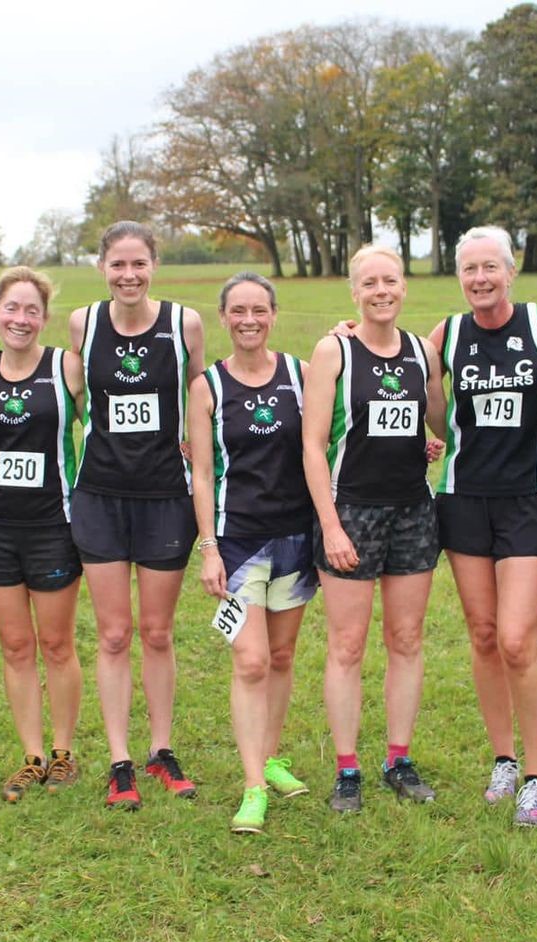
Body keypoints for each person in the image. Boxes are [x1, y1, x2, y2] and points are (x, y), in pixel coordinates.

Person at [429, 227, 537, 827]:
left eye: (490, 267)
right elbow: (402, 374)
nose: (480, 279)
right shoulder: (447, 334)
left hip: (531, 497)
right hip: (464, 498)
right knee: (485, 635)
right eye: (470, 269)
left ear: (510, 271)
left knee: (519, 638)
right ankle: (504, 759)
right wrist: (344, 335)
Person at [302, 244, 446, 814]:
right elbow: (313, 447)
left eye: (390, 280)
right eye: (370, 283)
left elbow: (437, 419)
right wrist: (331, 526)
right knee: (348, 644)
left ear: (404, 286)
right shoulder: (333, 351)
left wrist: (430, 444)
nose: (381, 291)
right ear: (355, 292)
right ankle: (347, 769)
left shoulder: (422, 352)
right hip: (351, 512)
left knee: (407, 640)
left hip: (412, 510)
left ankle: (398, 760)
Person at [68, 221, 205, 810]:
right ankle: (119, 760)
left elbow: (204, 397)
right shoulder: (83, 323)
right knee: (114, 633)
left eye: (139, 264)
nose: (129, 275)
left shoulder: (184, 324)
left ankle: (161, 750)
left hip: (165, 496)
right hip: (99, 495)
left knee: (157, 631)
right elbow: (54, 381)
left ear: (154, 266)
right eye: (118, 265)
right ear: (102, 267)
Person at [188, 272, 316, 834]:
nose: (249, 319)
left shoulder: (300, 374)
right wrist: (209, 549)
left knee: (283, 658)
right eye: (238, 310)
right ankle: (253, 787)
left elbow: (335, 436)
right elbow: (201, 473)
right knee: (251, 660)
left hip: (294, 539)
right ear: (223, 317)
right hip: (236, 543)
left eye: (259, 310)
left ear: (273, 313)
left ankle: (269, 755)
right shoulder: (207, 387)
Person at [0, 266, 86, 802]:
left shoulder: (67, 368)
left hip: (52, 527)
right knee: (16, 646)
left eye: (31, 310)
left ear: (45, 318)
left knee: (57, 644)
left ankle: (63, 752)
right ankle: (32, 756)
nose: (21, 319)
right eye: (11, 309)